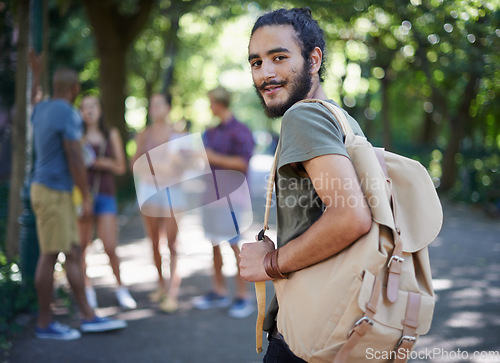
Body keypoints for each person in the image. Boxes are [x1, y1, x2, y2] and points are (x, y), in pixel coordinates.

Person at [239, 8, 372, 361]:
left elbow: (351, 216)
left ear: (313, 59)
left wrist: (270, 263)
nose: (265, 73)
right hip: (346, 323)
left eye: (278, 57)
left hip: (308, 336)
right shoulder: (339, 117)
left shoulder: (305, 115)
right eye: (256, 62)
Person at [30, 67, 127, 340]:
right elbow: (75, 157)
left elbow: (33, 102)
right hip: (54, 192)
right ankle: (45, 324)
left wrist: (36, 75)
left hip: (47, 190)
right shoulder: (68, 114)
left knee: (72, 252)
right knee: (50, 255)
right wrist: (85, 197)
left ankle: (88, 317)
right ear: (74, 89)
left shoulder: (43, 109)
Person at [192, 86, 255, 319]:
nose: (209, 107)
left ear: (220, 103)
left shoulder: (241, 131)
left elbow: (243, 163)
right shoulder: (210, 132)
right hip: (211, 195)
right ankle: (218, 291)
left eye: (211, 102)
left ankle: (242, 296)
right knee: (214, 245)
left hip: (233, 197)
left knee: (234, 246)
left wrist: (212, 157)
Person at [78, 94, 137, 310]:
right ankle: (87, 290)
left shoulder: (110, 134)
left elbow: (121, 167)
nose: (89, 110)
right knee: (82, 247)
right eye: (84, 107)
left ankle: (121, 288)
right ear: (80, 112)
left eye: (93, 106)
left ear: (100, 109)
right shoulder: (77, 135)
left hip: (105, 195)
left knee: (110, 246)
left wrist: (100, 162)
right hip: (83, 197)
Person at [130, 93, 185, 313]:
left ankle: (172, 292)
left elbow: (185, 167)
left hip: (173, 191)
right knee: (154, 241)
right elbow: (135, 163)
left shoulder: (178, 134)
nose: (154, 108)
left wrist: (170, 165)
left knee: (172, 243)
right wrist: (158, 167)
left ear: (168, 108)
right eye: (152, 105)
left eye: (159, 104)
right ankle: (161, 286)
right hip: (149, 190)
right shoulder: (144, 135)